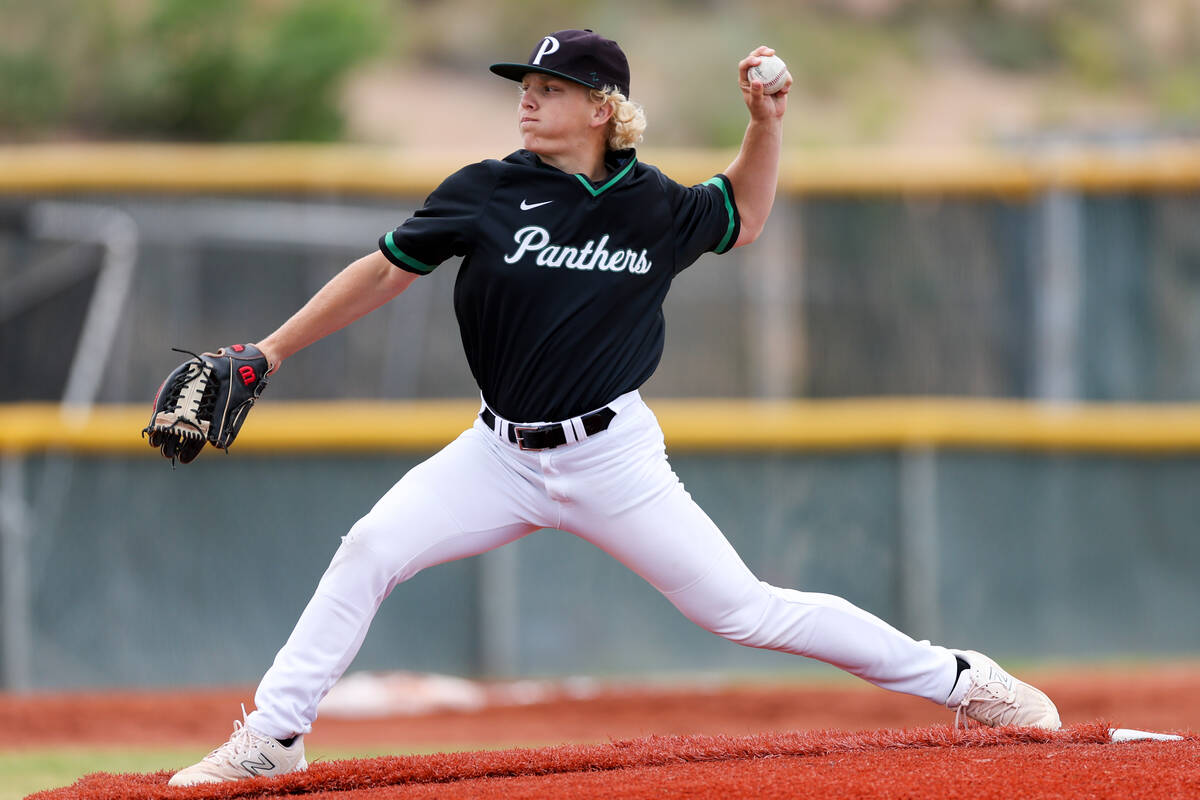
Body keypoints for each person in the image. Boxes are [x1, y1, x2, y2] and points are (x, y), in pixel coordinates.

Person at [168, 29, 1060, 787]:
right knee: (369, 548)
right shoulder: (485, 189)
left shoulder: (652, 205)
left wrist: (767, 123)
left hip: (611, 456)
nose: (529, 99)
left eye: (551, 89)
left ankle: (962, 679)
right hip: (499, 454)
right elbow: (383, 270)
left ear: (602, 108)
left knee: (742, 611)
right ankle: (274, 740)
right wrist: (270, 351)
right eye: (528, 85)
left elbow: (744, 215)